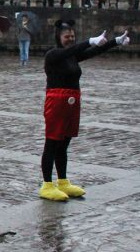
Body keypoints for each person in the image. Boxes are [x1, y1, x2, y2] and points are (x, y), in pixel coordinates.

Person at [38, 20, 130, 201]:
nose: (70, 39)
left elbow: (92, 52)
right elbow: (73, 50)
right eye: (66, 37)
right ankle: (47, 184)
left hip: (72, 101)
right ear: (58, 37)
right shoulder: (53, 54)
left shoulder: (71, 56)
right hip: (56, 101)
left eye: (72, 36)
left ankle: (63, 181)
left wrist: (115, 42)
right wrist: (89, 40)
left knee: (64, 144)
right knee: (52, 143)